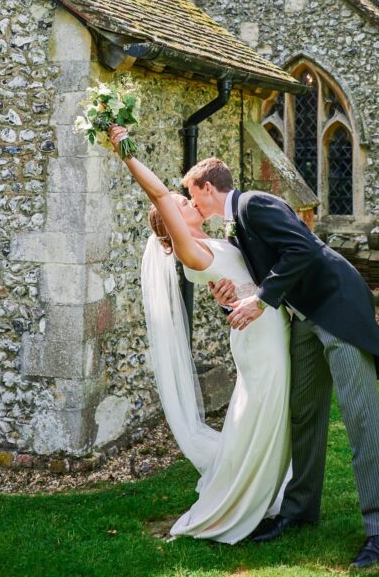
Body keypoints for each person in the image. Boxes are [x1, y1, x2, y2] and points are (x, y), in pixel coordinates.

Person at [185, 156, 379, 570]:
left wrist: (263, 299)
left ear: (207, 188)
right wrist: (232, 296)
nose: (191, 203)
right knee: (303, 412)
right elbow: (261, 274)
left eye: (192, 195)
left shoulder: (252, 205)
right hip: (303, 317)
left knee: (359, 417)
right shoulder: (236, 227)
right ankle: (300, 509)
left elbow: (302, 247)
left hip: (337, 308)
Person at [108, 126, 291, 545]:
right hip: (260, 340)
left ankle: (272, 492)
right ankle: (245, 499)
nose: (188, 201)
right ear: (171, 224)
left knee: (264, 416)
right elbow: (158, 196)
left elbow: (243, 276)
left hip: (264, 326)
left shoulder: (215, 237)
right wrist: (126, 151)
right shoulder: (193, 251)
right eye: (180, 204)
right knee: (260, 416)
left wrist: (230, 298)